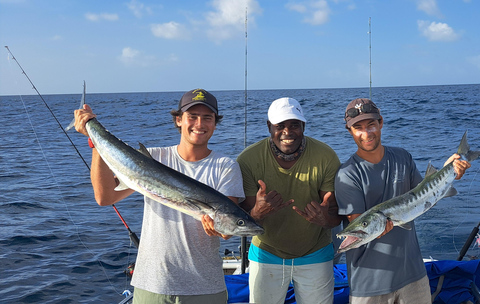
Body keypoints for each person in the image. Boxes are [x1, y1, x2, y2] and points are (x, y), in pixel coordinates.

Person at [74, 88, 245, 304]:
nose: (199, 124)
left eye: (207, 118)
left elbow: (227, 226)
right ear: (178, 120)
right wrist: (95, 141)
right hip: (152, 286)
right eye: (192, 116)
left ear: (215, 123)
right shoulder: (153, 158)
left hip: (204, 288)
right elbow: (104, 197)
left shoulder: (226, 167)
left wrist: (223, 230)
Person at [335, 98, 471, 304]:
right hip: (370, 285)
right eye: (358, 128)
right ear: (350, 131)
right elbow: (360, 222)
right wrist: (374, 226)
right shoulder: (347, 174)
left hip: (413, 277)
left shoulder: (402, 157)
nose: (366, 133)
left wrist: (449, 169)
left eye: (371, 125)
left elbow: (425, 192)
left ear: (380, 123)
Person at [237, 97, 342, 304]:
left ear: (303, 126)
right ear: (269, 127)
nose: (287, 132)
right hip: (266, 253)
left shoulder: (326, 156)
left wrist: (324, 220)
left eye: (294, 125)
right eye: (280, 126)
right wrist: (257, 213)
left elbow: (335, 218)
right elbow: (242, 222)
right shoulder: (248, 160)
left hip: (316, 253)